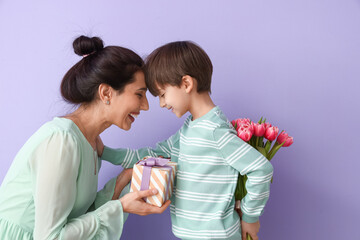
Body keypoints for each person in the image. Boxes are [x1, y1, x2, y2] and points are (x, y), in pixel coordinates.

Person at [96, 41, 274, 240]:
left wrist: (250, 217)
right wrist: (106, 153)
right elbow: (154, 155)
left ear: (186, 84)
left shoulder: (216, 131)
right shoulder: (189, 129)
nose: (162, 104)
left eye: (163, 95)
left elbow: (261, 169)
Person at [0, 35, 170, 240]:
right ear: (106, 93)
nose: (145, 106)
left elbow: (80, 217)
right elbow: (49, 237)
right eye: (139, 94)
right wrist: (119, 207)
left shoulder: (92, 142)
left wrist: (123, 181)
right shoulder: (62, 141)